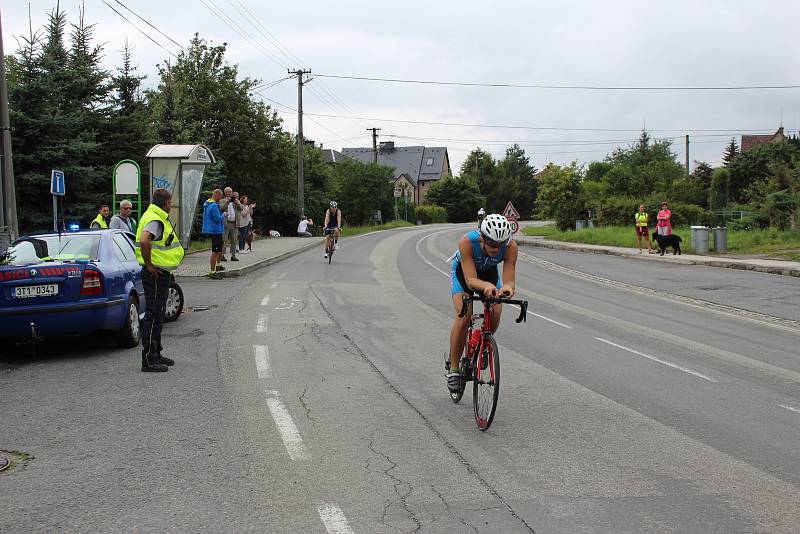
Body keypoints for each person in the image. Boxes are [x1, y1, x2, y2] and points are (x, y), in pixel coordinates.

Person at [446, 214, 518, 393]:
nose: (496, 248)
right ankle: (454, 370)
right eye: (492, 243)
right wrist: (486, 286)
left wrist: (507, 289)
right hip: (464, 275)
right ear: (483, 238)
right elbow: (471, 280)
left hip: (489, 274)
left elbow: (509, 281)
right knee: (464, 315)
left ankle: (483, 344)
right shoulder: (467, 242)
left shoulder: (511, 247)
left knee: (496, 310)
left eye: (500, 244)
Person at [135, 188, 185, 372]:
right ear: (165, 203)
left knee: (158, 313)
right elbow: (144, 241)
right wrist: (149, 265)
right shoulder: (155, 219)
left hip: (159, 273)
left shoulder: (153, 214)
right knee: (154, 315)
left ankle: (156, 352)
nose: (171, 206)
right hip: (154, 274)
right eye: (170, 203)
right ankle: (149, 359)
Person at [202, 189, 225, 279]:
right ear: (217, 195)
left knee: (219, 249)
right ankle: (212, 271)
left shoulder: (207, 204)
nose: (221, 199)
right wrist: (224, 215)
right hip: (215, 230)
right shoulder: (214, 206)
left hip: (212, 229)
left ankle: (217, 266)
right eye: (221, 196)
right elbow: (217, 218)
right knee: (215, 251)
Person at [219, 187, 241, 261]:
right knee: (224, 239)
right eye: (227, 192)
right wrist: (227, 202)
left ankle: (233, 255)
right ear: (225, 193)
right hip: (226, 223)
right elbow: (221, 209)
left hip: (234, 223)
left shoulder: (235, 201)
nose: (229, 193)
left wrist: (237, 203)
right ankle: (222, 255)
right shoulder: (222, 200)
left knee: (234, 240)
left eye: (230, 192)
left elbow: (241, 208)